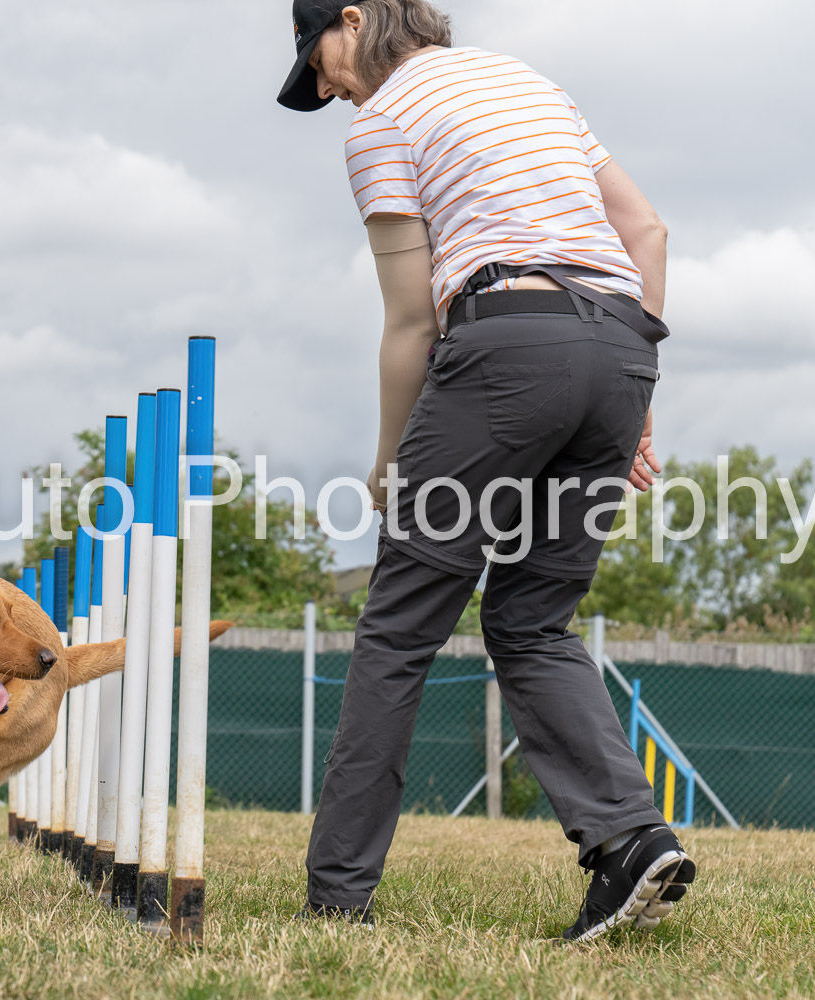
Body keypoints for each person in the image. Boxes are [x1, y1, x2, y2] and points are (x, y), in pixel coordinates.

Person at [276, 0, 696, 941]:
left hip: (507, 343)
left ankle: (337, 897)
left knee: (399, 626)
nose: (328, 87)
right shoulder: (529, 83)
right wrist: (635, 400)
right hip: (621, 353)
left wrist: (390, 461)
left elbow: (413, 322)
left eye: (320, 60)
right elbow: (650, 234)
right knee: (533, 618)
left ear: (354, 19)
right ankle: (631, 841)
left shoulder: (383, 124)